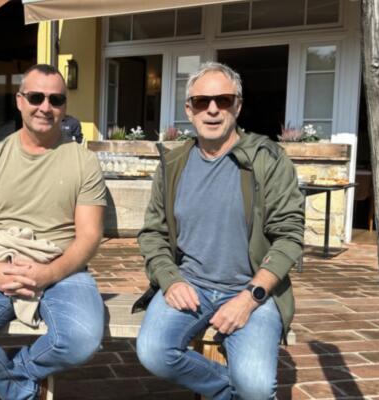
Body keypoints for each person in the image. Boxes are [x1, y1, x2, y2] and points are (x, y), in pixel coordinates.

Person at [0, 64, 107, 400]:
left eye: (55, 99)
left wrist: (49, 272)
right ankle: (26, 389)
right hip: (0, 259)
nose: (45, 106)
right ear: (19, 100)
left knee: (82, 339)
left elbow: (88, 235)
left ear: (64, 106)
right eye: (36, 97)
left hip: (62, 266)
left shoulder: (84, 162)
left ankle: (13, 378)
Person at [134, 61, 305, 399]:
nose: (212, 109)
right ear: (189, 109)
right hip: (191, 285)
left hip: (251, 289)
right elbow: (153, 234)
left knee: (256, 386)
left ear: (237, 106)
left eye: (223, 100)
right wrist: (170, 279)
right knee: (154, 352)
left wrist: (250, 298)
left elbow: (289, 237)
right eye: (202, 101)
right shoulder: (173, 164)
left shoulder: (268, 159)